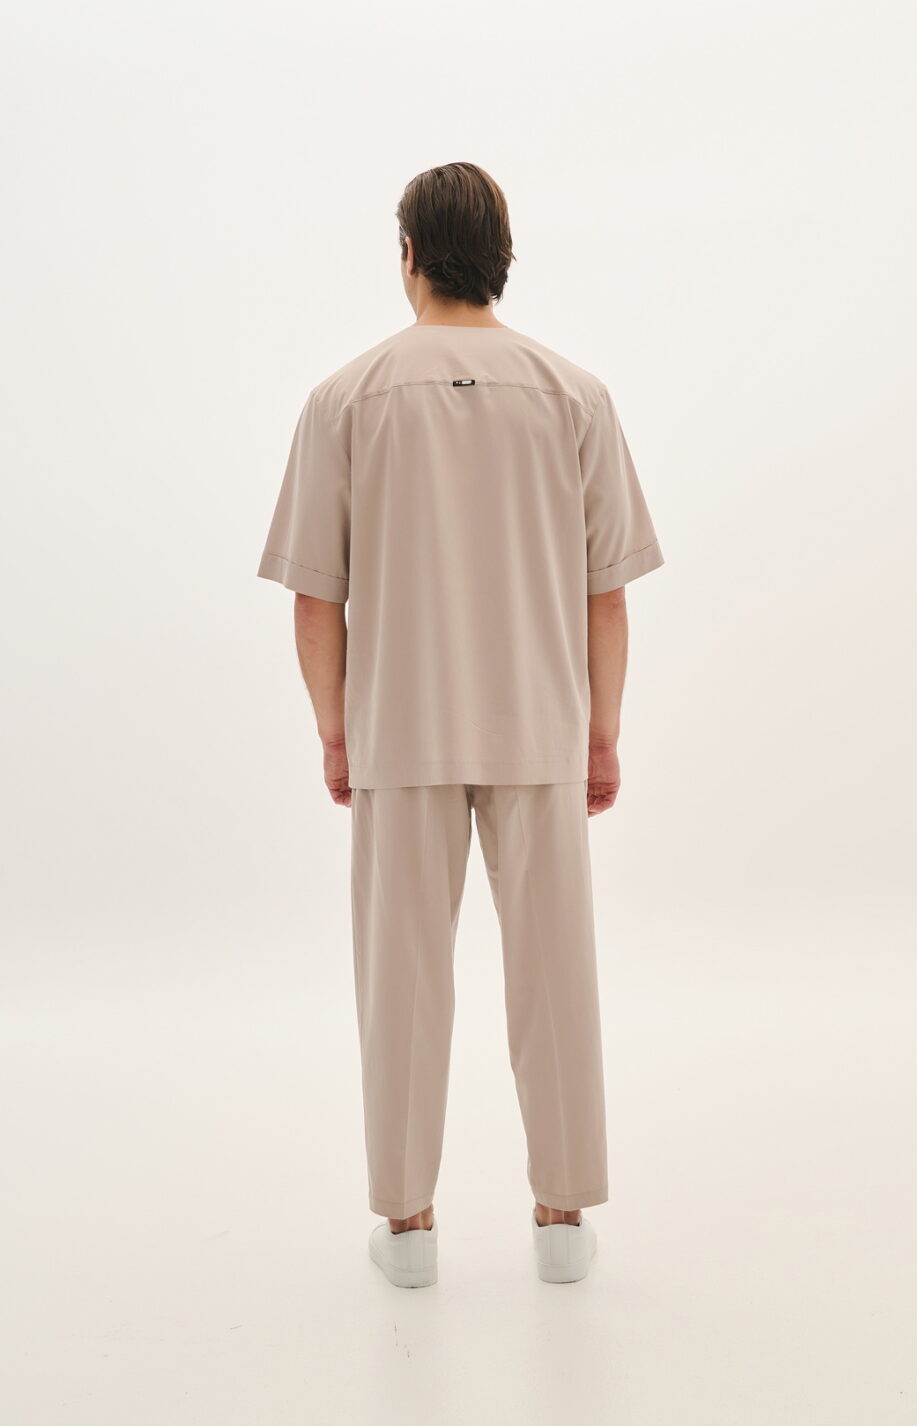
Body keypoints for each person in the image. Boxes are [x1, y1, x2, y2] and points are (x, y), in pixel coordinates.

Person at [256, 161, 664, 1288]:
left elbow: (315, 598)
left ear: (408, 256)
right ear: (502, 257)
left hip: (401, 727)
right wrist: (601, 731)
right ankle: (561, 1219)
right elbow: (606, 594)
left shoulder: (345, 398)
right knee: (556, 975)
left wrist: (335, 731)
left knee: (400, 981)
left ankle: (408, 1226)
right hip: (540, 722)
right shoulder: (575, 395)